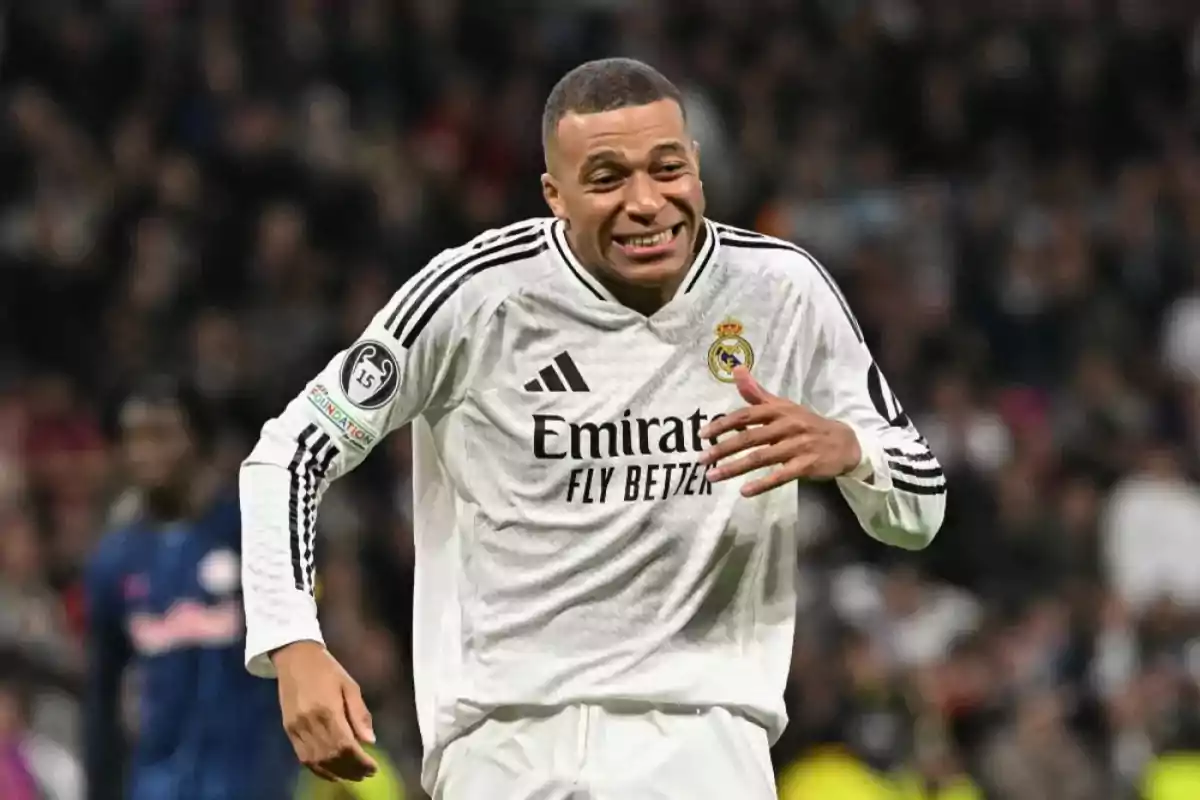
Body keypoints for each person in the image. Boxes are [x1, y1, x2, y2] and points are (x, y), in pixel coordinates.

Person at [240, 57, 947, 799]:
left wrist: (852, 451)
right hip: (510, 747)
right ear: (555, 195)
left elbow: (921, 509)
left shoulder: (781, 291)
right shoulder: (478, 296)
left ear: (697, 168)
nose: (646, 201)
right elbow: (290, 454)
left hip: (704, 743)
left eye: (666, 168)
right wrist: (293, 641)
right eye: (607, 178)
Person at [84, 378, 297, 800]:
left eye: (161, 435)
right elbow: (102, 694)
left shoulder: (252, 534)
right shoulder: (114, 560)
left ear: (198, 439)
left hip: (254, 779)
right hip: (157, 784)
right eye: (134, 438)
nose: (146, 452)